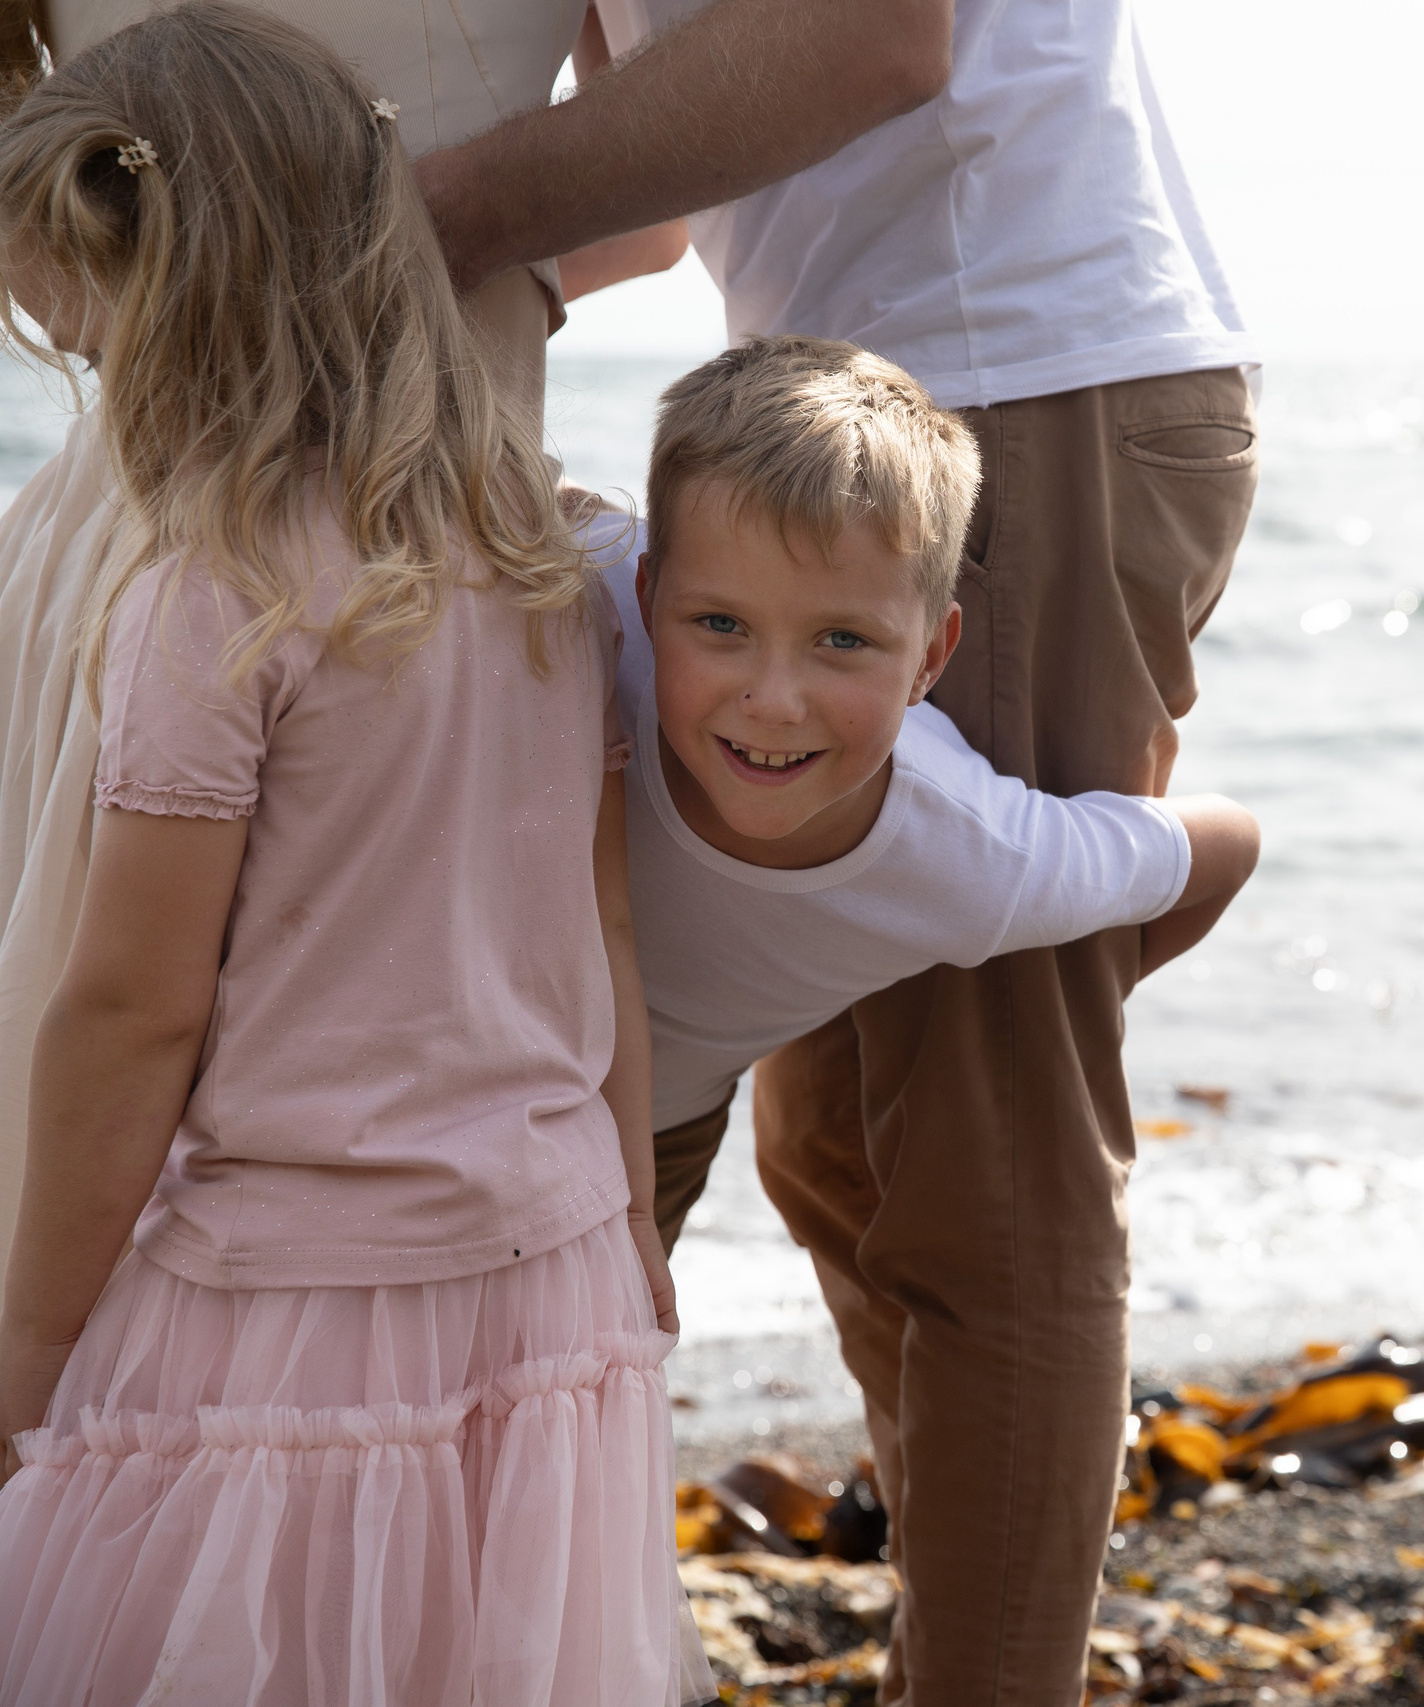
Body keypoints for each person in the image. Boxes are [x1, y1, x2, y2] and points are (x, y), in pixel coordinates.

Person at [0, 0, 958, 1309]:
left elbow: (133, 1014)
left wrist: (343, 253)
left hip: (195, 511)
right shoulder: (545, 578)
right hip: (344, 495)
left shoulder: (255, 602)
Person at [0, 11, 710, 1702]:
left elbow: (135, 1012)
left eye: (86, 341)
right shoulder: (540, 556)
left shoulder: (208, 604)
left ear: (171, 316)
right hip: (551, 1280)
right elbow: (604, 932)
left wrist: (30, 1337)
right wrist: (631, 1222)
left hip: (285, 1310)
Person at [577, 4, 1262, 1696]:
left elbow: (875, 41)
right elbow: (645, 183)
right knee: (838, 1154)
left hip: (1013, 375)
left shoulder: (956, 833)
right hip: (843, 391)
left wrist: (413, 222)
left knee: (982, 1174)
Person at [597, 337, 1258, 1259]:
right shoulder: (587, 608)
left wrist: (1077, 973)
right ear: (646, 596)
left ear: (931, 658)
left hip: (650, 1138)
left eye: (842, 641)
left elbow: (1231, 841)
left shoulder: (974, 858)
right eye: (720, 625)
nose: (774, 700)